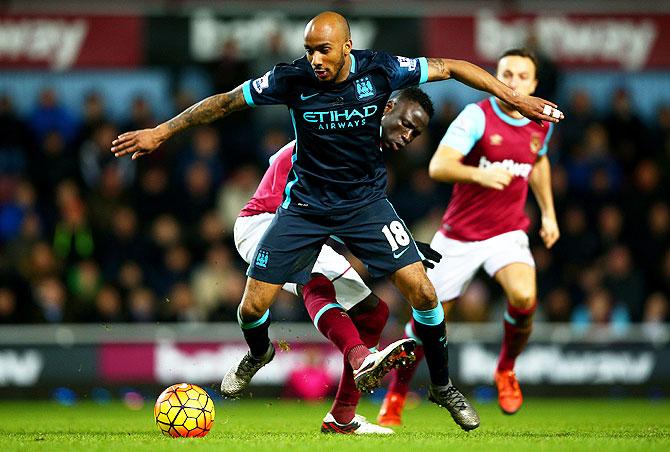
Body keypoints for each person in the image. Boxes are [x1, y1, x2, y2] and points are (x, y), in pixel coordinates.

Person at [111, 13, 562, 432]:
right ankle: (260, 351)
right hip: (304, 208)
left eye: (323, 50)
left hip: (365, 206)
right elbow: (227, 102)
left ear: (348, 46)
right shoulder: (292, 79)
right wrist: (162, 132)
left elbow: (455, 66)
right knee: (251, 308)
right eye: (309, 50)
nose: (315, 60)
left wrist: (516, 100)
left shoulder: (382, 70)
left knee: (424, 292)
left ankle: (442, 387)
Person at [235, 88, 438, 434]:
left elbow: (344, 213)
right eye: (404, 125)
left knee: (374, 313)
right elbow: (318, 205)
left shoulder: (362, 150)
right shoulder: (339, 139)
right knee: (313, 280)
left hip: (308, 226)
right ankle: (359, 357)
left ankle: (342, 417)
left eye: (414, 133)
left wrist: (397, 242)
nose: (406, 138)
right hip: (264, 222)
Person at [378, 48, 560, 425]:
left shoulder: (541, 120)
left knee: (525, 296)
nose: (513, 82)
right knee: (426, 322)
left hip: (507, 231)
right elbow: (439, 165)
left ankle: (506, 370)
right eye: (506, 73)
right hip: (458, 236)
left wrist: (548, 213)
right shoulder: (477, 116)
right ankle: (397, 393)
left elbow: (538, 160)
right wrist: (481, 174)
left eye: (522, 76)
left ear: (534, 83)